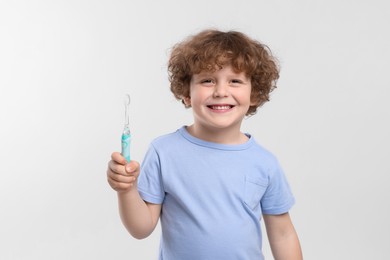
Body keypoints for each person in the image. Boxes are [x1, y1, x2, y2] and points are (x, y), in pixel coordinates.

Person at [107, 29, 302, 260]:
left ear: (255, 94)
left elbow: (283, 234)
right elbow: (141, 228)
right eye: (207, 80)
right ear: (187, 93)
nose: (221, 91)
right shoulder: (164, 152)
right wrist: (126, 189)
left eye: (235, 81)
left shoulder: (265, 163)